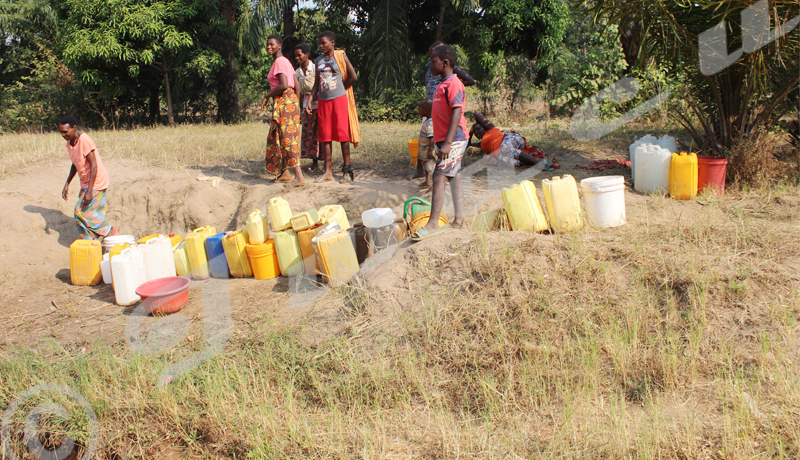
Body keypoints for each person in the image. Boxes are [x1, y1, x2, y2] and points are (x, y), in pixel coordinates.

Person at [411, 45, 469, 241]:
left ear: (445, 63)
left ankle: (434, 223)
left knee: (439, 175)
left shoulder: (454, 84)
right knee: (454, 177)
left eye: (433, 61)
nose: (430, 65)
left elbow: (456, 113)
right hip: (445, 139)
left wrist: (448, 143)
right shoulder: (441, 85)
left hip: (455, 139)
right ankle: (459, 220)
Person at [407, 40, 475, 181]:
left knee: (440, 174)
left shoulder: (452, 77)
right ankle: (421, 170)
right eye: (431, 55)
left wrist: (455, 90)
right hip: (431, 105)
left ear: (445, 59)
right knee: (424, 138)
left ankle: (432, 179)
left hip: (443, 105)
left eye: (435, 55)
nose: (431, 59)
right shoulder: (431, 67)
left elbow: (469, 81)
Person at [307, 30, 360, 183]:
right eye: (319, 43)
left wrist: (340, 88)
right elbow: (317, 83)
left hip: (339, 100)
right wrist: (311, 98)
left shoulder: (341, 57)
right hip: (324, 101)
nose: (321, 46)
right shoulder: (318, 61)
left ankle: (347, 170)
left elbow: (353, 76)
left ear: (332, 43)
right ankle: (328, 171)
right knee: (325, 136)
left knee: (343, 135)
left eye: (324, 43)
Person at [59, 116, 118, 240]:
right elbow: (75, 164)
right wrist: (67, 183)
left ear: (74, 128)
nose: (63, 135)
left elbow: (94, 166)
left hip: (96, 181)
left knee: (82, 212)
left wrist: (89, 192)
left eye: (65, 131)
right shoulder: (70, 143)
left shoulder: (84, 140)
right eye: (61, 132)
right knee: (79, 215)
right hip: (85, 183)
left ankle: (108, 231)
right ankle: (89, 242)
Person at [261, 34, 305, 186]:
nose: (269, 47)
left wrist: (267, 95)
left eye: (272, 44)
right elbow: (297, 84)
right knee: (279, 135)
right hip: (290, 100)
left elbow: (283, 85)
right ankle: (285, 172)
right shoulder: (286, 61)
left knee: (287, 138)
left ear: (279, 46)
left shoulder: (279, 61)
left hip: (284, 99)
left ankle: (299, 177)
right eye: (267, 44)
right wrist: (296, 104)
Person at [468, 112, 543, 167]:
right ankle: (527, 163)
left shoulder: (491, 129)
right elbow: (468, 144)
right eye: (475, 132)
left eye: (478, 129)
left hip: (511, 139)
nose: (476, 132)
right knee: (502, 159)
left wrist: (472, 128)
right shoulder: (482, 144)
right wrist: (470, 132)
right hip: (506, 151)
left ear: (484, 128)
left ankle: (538, 163)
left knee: (505, 148)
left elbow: (477, 114)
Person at [293, 43, 319, 171]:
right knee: (310, 133)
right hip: (305, 103)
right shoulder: (297, 71)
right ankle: (314, 162)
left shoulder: (315, 68)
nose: (297, 58)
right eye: (296, 56)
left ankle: (324, 161)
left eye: (299, 55)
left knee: (320, 133)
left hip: (318, 102)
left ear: (306, 54)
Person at [415, 99, 435, 190]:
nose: (418, 110)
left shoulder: (430, 123)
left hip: (428, 151)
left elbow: (432, 138)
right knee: (425, 167)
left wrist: (430, 151)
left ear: (425, 110)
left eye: (419, 108)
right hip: (424, 152)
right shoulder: (427, 121)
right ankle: (427, 182)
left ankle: (435, 185)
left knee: (431, 168)